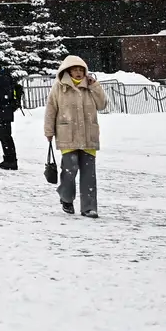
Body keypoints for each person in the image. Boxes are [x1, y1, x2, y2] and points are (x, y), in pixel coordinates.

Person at [43, 55, 109, 217]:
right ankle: (66, 197)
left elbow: (102, 105)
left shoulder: (91, 86)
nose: (78, 73)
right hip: (67, 135)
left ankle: (88, 207)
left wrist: (96, 87)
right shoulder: (59, 87)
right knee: (69, 170)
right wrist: (49, 131)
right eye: (75, 70)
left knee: (89, 175)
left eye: (81, 70)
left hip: (88, 135)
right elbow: (51, 109)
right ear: (68, 71)